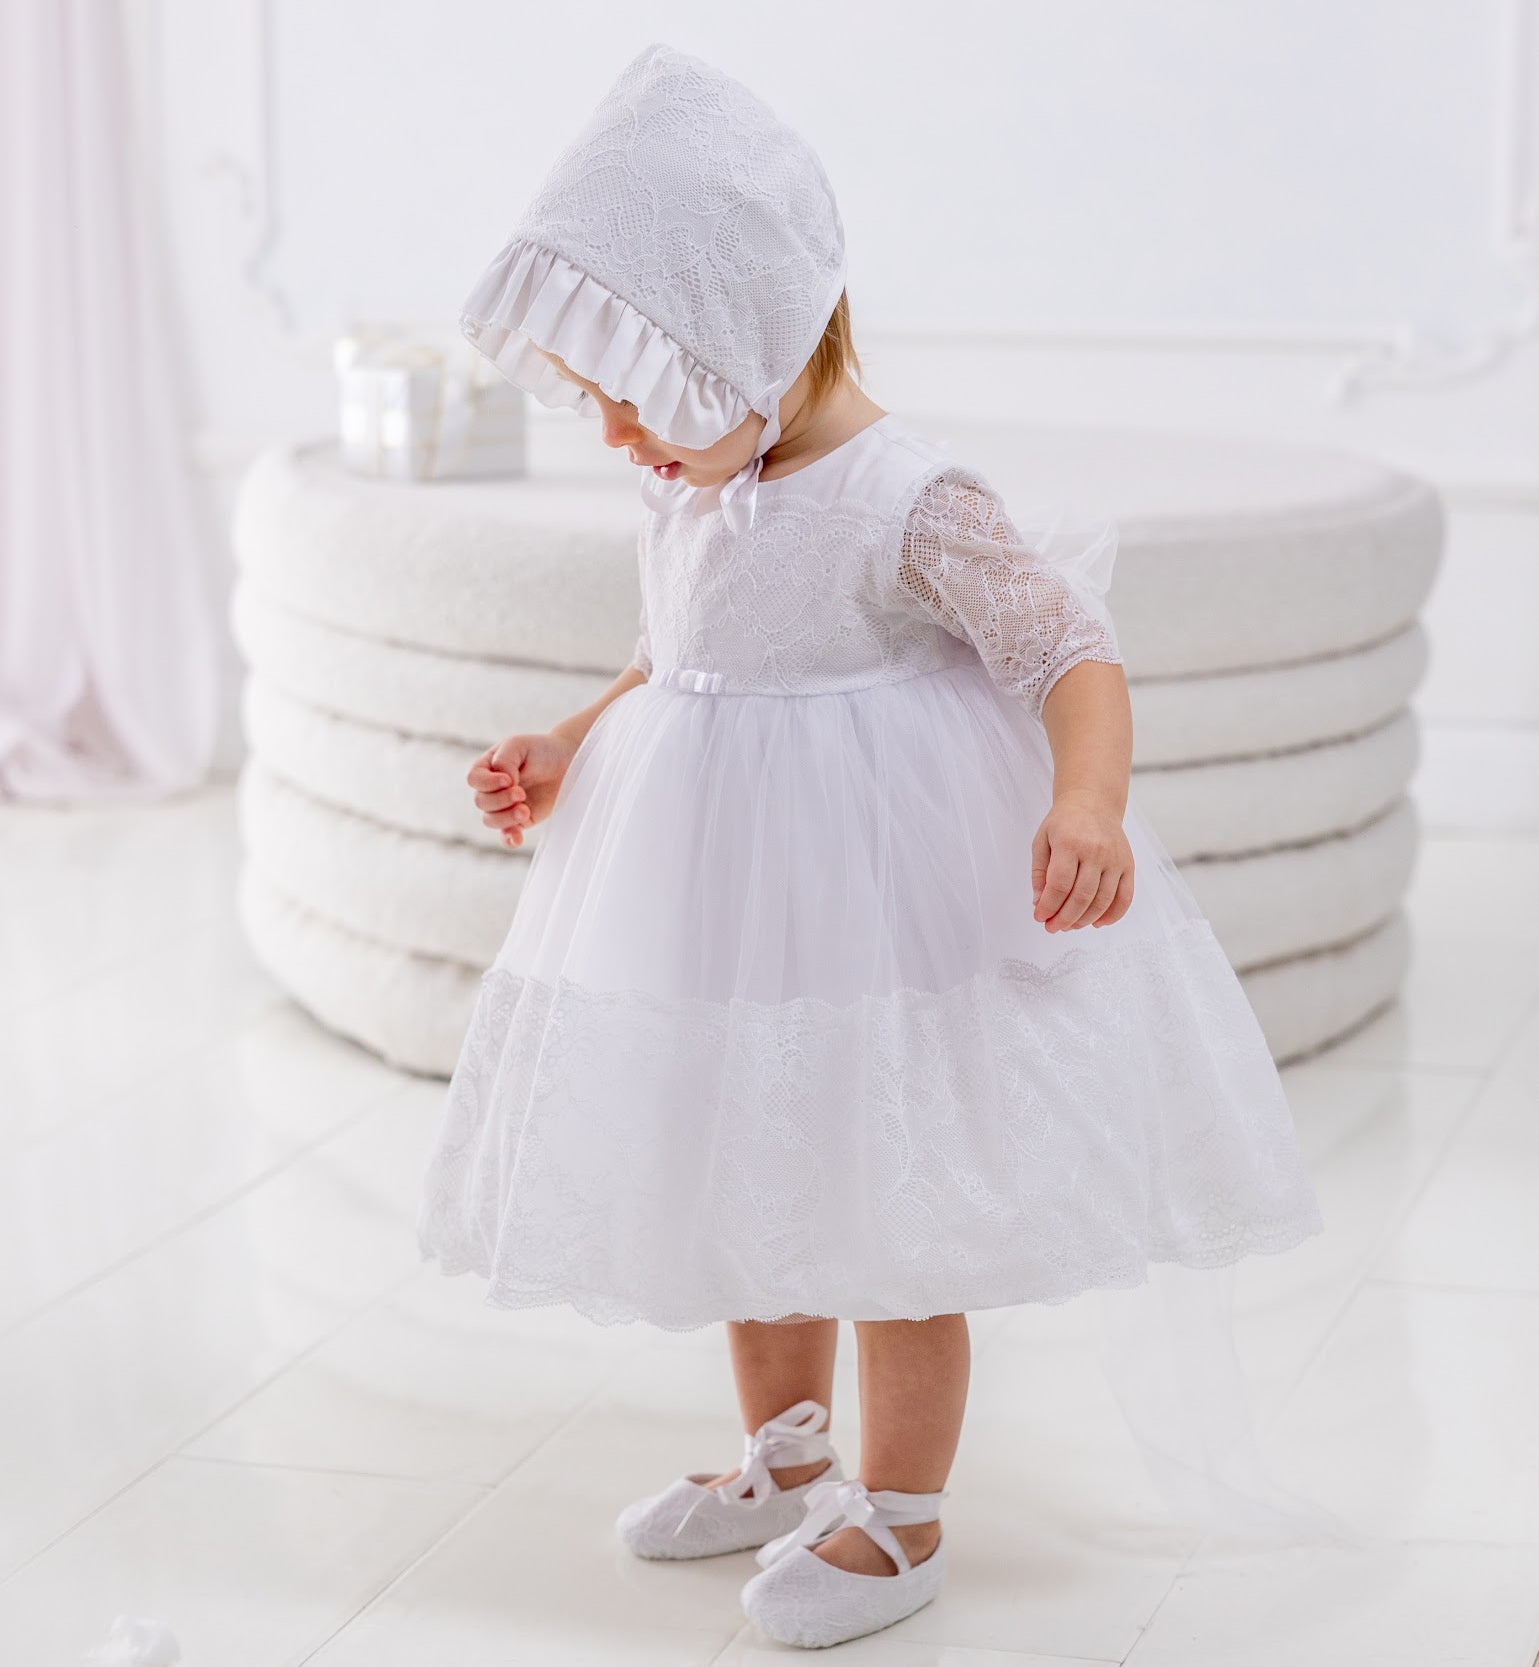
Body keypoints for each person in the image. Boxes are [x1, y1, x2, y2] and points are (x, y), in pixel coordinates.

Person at [417, 41, 1325, 1650]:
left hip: (872, 908)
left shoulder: (909, 494)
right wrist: (572, 742)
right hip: (719, 902)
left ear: (744, 341)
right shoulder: (701, 488)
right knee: (750, 1182)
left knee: (887, 1206)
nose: (623, 440)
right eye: (606, 408)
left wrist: (1086, 799)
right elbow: (679, 656)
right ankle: (785, 1457)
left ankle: (901, 1517)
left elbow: (1069, 648)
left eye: (642, 402)